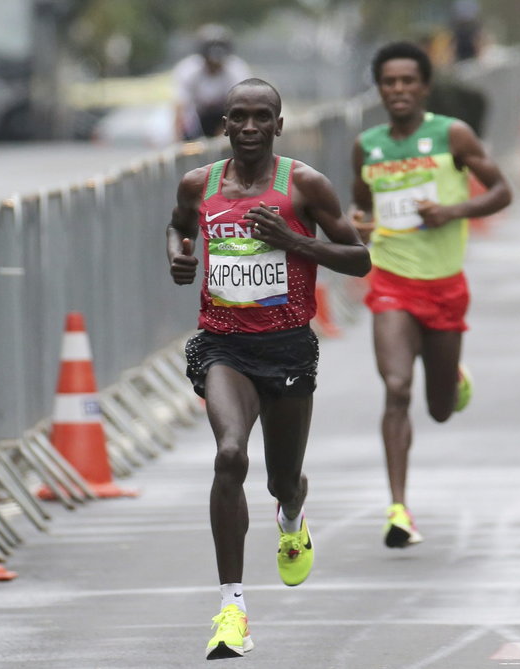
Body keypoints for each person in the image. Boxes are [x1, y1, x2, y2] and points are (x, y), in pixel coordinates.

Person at [166, 78, 370, 659]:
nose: (250, 127)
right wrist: (179, 255)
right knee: (230, 455)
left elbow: (359, 258)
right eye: (239, 117)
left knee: (282, 478)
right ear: (223, 125)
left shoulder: (304, 185)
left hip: (286, 349)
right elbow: (179, 224)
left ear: (279, 125)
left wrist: (295, 242)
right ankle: (232, 609)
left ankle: (293, 511)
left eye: (262, 117)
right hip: (223, 346)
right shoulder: (199, 184)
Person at [351, 42, 511, 549]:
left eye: (407, 82)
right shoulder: (368, 146)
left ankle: (452, 377)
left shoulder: (451, 135)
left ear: (424, 86)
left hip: (444, 286)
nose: (398, 90)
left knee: (439, 407)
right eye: (389, 83)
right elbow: (361, 210)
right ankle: (398, 509)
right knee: (397, 388)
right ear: (379, 89)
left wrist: (452, 211)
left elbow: (502, 191)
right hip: (391, 280)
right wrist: (360, 225)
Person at [173, 24, 251, 141]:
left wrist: (222, 135)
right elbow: (180, 107)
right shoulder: (188, 70)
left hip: (228, 118)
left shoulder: (237, 70)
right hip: (198, 119)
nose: (215, 65)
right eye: (211, 61)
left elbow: (243, 107)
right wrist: (178, 140)